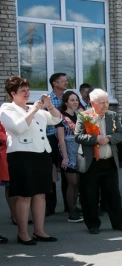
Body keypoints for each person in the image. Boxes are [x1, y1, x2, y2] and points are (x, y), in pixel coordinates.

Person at [1, 76, 63, 244]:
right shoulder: (7, 108)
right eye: (23, 90)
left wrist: (49, 107)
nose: (27, 93)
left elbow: (57, 119)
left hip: (41, 154)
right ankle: (22, 233)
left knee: (40, 194)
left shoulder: (34, 109)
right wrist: (33, 110)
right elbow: (18, 128)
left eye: (28, 89)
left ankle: (39, 231)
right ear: (13, 93)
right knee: (24, 196)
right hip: (21, 156)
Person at [75, 89, 122, 235]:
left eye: (107, 102)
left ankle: (119, 223)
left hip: (109, 161)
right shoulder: (84, 116)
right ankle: (93, 224)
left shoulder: (112, 116)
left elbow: (121, 134)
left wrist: (108, 138)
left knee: (113, 194)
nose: (106, 105)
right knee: (90, 195)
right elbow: (78, 136)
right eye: (102, 103)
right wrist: (95, 139)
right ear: (92, 103)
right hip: (91, 162)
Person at [56, 91, 84, 223]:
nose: (75, 102)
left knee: (78, 182)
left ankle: (75, 206)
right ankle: (70, 212)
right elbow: (61, 139)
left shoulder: (80, 115)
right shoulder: (60, 117)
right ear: (66, 102)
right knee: (72, 182)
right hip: (68, 153)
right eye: (72, 100)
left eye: (77, 100)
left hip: (80, 151)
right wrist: (65, 157)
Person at [46, 72, 67, 216]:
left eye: (66, 80)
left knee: (68, 172)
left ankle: (69, 205)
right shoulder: (48, 100)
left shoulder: (68, 98)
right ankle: (50, 206)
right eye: (63, 81)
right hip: (51, 138)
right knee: (51, 172)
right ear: (55, 83)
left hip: (67, 138)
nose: (66, 83)